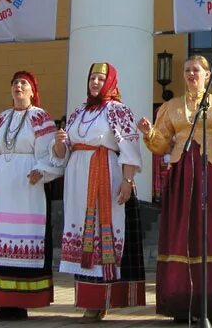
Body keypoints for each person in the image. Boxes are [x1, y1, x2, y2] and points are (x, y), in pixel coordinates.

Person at [137, 55, 212, 322]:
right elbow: (162, 144)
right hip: (181, 173)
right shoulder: (171, 106)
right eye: (187, 70)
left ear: (208, 75)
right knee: (181, 233)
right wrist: (150, 132)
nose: (190, 75)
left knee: (211, 231)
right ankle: (181, 301)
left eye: (196, 70)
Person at [0, 71, 63, 321]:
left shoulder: (40, 118)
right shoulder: (1, 118)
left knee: (22, 239)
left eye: (24, 83)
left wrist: (41, 170)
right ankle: (2, 301)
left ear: (33, 90)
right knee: (0, 241)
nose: (19, 87)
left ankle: (20, 302)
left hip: (26, 187)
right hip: (1, 189)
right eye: (15, 83)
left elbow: (50, 154)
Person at [56, 62, 144, 322]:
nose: (95, 82)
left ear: (110, 82)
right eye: (92, 77)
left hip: (105, 173)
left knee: (99, 232)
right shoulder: (78, 112)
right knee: (81, 231)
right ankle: (87, 299)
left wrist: (128, 180)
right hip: (77, 178)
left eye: (100, 78)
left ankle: (100, 301)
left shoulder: (118, 111)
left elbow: (128, 147)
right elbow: (64, 152)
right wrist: (59, 144)